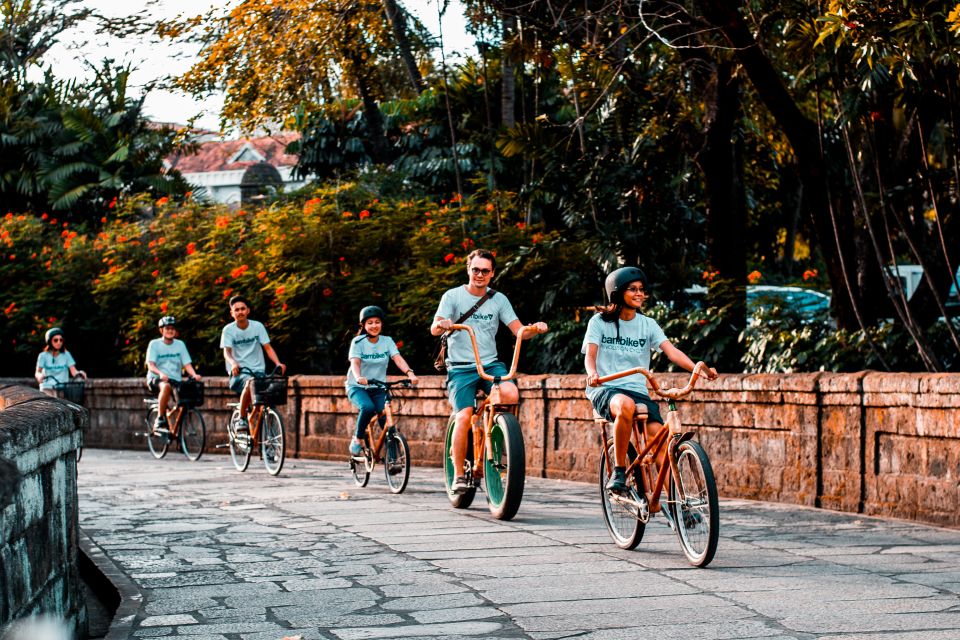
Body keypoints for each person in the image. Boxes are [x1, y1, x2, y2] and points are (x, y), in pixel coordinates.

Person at [583, 266, 717, 493]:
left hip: (638, 392)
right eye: (632, 289)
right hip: (606, 388)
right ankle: (619, 471)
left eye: (642, 290)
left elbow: (671, 351)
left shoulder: (648, 325)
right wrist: (592, 374)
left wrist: (697, 368)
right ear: (617, 294)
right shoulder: (599, 322)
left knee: (661, 443)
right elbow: (591, 355)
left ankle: (678, 509)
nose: (639, 294)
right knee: (625, 405)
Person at [430, 249, 548, 493]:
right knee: (463, 415)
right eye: (476, 270)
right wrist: (442, 324)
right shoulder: (452, 296)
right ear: (468, 270)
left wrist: (534, 329)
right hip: (461, 368)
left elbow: (518, 330)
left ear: (492, 273)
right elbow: (434, 328)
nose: (480, 274)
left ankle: (497, 433)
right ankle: (459, 475)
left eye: (485, 270)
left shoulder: (498, 299)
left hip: (490, 364)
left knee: (510, 394)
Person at [346, 305, 418, 456]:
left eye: (377, 322)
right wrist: (358, 377)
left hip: (378, 387)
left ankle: (393, 459)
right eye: (370, 322)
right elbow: (355, 362)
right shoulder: (358, 342)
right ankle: (358, 438)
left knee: (386, 416)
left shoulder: (387, 341)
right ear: (364, 325)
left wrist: (410, 373)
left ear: (382, 324)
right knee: (367, 407)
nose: (374, 325)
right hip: (357, 387)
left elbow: (397, 359)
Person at [220, 295, 285, 433]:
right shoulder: (228, 330)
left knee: (266, 396)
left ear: (248, 310)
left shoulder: (258, 326)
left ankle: (253, 419)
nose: (240, 312)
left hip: (258, 371)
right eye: (236, 310)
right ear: (232, 313)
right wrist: (233, 364)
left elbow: (267, 348)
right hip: (239, 372)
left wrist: (278, 363)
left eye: (243, 309)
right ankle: (242, 418)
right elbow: (227, 352)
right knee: (250, 382)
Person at [145, 316, 202, 432]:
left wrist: (194, 375)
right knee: (165, 386)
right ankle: (160, 418)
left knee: (185, 402)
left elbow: (187, 364)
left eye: (172, 328)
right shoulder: (154, 344)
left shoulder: (180, 345)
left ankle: (179, 436)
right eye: (167, 328)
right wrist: (161, 374)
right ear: (161, 330)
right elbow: (150, 365)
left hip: (175, 380)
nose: (170, 331)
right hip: (156, 378)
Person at [35, 328, 86, 392]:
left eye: (61, 340)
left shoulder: (66, 354)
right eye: (55, 340)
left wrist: (80, 373)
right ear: (49, 341)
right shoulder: (43, 355)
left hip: (62, 388)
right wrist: (40, 376)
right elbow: (37, 372)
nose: (59, 342)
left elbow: (74, 371)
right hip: (47, 387)